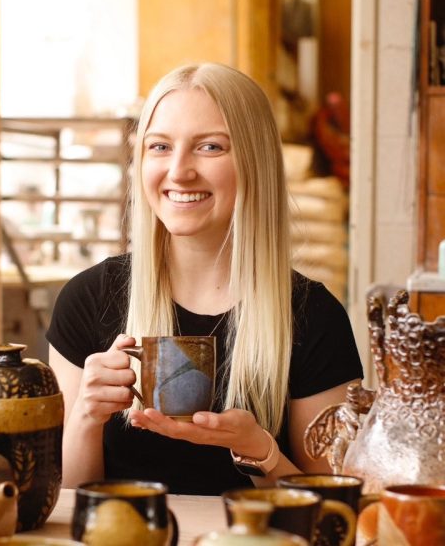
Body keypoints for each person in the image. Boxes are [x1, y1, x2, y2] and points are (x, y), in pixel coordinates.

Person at [47, 62, 363, 495]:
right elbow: (66, 506)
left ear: (256, 162)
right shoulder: (86, 300)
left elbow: (333, 512)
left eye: (210, 147)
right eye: (159, 147)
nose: (179, 171)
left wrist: (260, 450)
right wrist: (85, 414)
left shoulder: (314, 317)